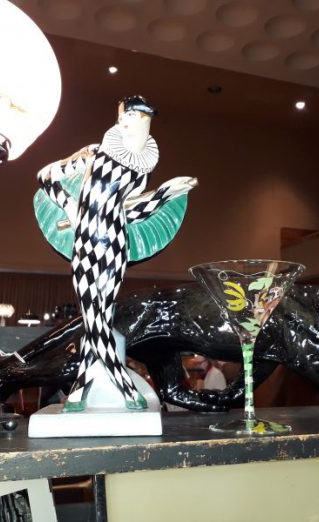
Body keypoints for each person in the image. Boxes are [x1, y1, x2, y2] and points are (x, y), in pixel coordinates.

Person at [37, 95, 196, 411]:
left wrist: (165, 193)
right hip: (86, 241)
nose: (124, 122)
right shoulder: (94, 152)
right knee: (94, 316)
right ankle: (123, 385)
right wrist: (70, 205)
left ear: (146, 119)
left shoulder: (139, 173)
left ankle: (80, 390)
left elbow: (129, 214)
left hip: (115, 243)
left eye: (131, 117)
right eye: (122, 117)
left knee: (100, 317)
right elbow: (45, 176)